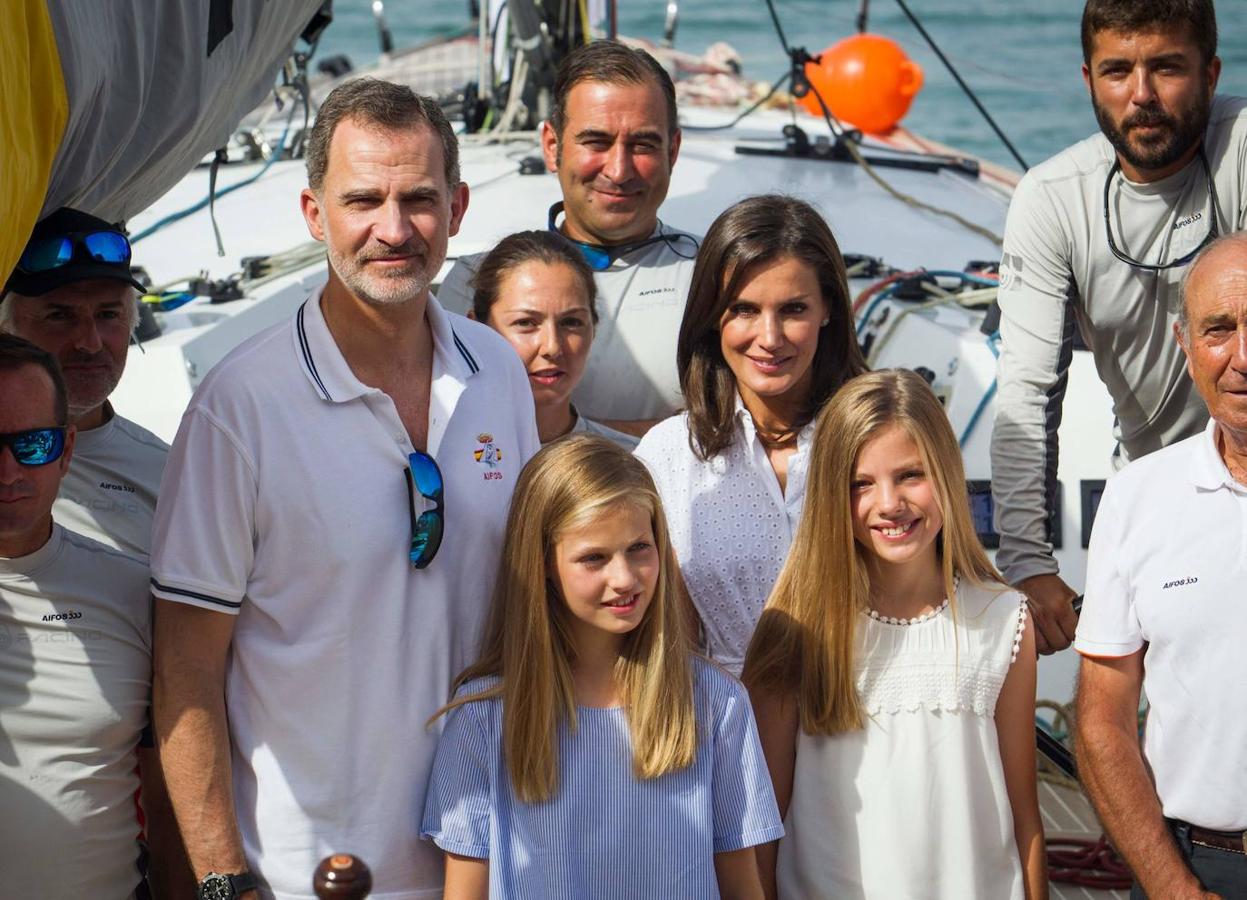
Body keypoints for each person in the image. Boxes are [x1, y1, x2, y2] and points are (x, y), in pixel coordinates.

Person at [151, 78, 540, 900]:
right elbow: (184, 670)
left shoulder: (498, 371)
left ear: (460, 206)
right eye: (362, 199)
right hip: (308, 876)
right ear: (312, 213)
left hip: (488, 859)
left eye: (419, 200)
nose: (392, 230)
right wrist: (224, 883)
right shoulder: (239, 408)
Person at [990, 0, 1247, 654]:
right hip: (1157, 490)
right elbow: (1026, 389)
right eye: (1116, 71)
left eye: (1166, 68)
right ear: (1087, 81)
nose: (1140, 95)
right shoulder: (1053, 199)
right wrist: (1027, 562)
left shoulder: (1241, 145)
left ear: (1210, 73)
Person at [421, 435, 782, 899]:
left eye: (639, 548)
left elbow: (742, 885)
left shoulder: (717, 703)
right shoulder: (483, 719)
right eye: (594, 557)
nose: (625, 578)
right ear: (543, 564)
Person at [744, 369, 1046, 900]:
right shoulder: (795, 631)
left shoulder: (1004, 620)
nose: (889, 503)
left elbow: (1025, 815)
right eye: (861, 483)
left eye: (910, 475)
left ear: (947, 473)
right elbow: (761, 827)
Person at [1075, 232, 1247, 900]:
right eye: (1217, 330)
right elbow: (1101, 721)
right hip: (1198, 870)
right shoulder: (1136, 497)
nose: (1240, 357)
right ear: (1183, 345)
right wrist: (1169, 887)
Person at [634, 195, 867, 675]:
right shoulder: (666, 455)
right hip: (725, 729)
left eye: (793, 309)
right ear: (710, 316)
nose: (770, 336)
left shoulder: (878, 440)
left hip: (866, 723)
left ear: (828, 309)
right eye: (743, 309)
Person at [0, 334, 182, 897]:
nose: (8, 473)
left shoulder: (133, 592)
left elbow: (169, 792)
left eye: (32, 446)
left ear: (69, 450)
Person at [437, 39, 699, 430]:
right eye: (597, 141)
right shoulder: (475, 280)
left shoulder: (715, 275)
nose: (619, 170)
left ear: (673, 151)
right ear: (551, 145)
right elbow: (456, 426)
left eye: (643, 144)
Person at [1, 207, 168, 557]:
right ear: (5, 329)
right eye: (59, 316)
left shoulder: (172, 473)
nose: (89, 342)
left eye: (108, 315)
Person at [469, 229, 638, 449]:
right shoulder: (439, 456)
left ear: (593, 328)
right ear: (476, 328)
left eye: (571, 322)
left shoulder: (633, 464)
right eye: (526, 322)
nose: (552, 347)